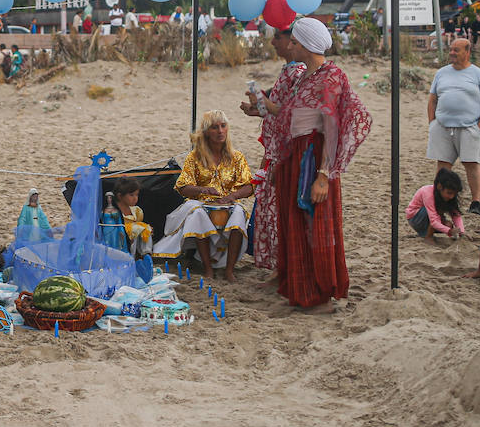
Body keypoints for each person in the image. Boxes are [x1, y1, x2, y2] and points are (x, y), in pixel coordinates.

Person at [265, 17, 371, 313]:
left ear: (307, 45)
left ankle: (319, 295)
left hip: (313, 159)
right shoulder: (305, 77)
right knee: (296, 224)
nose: (291, 47)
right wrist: (260, 108)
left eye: (294, 42)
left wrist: (324, 175)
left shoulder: (329, 77)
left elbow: (332, 127)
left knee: (314, 224)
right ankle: (301, 290)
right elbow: (291, 115)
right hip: (295, 155)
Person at [156, 110, 255, 282]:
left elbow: (249, 186)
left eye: (223, 126)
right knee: (197, 214)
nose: (220, 131)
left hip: (229, 204)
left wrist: (232, 196)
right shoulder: (195, 157)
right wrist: (203, 190)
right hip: (202, 204)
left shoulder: (237, 157)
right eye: (215, 127)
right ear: (206, 132)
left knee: (239, 213)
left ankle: (229, 270)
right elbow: (183, 187)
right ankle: (208, 269)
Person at [239, 25, 303, 276]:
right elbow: (280, 111)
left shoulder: (299, 73)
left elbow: (294, 115)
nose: (274, 42)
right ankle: (280, 271)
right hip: (275, 150)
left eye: (278, 37)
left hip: (285, 152)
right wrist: (260, 110)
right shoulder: (288, 71)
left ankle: (285, 271)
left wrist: (267, 105)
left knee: (280, 211)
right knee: (272, 209)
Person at [426, 38, 480, 213]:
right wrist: (432, 123)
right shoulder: (441, 73)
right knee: (443, 164)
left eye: (456, 50)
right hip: (442, 126)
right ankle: (439, 199)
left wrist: (479, 127)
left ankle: (476, 202)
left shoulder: (479, 74)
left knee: (471, 163)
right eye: (451, 49)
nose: (452, 53)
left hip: (469, 127)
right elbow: (432, 100)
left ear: (467, 52)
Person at [406, 168, 466, 240]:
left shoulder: (447, 196)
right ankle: (428, 237)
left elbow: (456, 215)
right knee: (438, 214)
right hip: (416, 218)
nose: (452, 197)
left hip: (431, 218)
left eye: (454, 194)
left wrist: (461, 232)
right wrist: (449, 231)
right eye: (449, 193)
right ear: (439, 187)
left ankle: (427, 233)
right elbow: (434, 220)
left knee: (448, 225)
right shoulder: (428, 193)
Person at [113, 176, 153, 259]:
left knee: (144, 228)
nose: (135, 198)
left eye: (137, 195)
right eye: (131, 195)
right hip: (119, 240)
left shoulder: (136, 211)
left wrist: (146, 229)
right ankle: (130, 257)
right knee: (134, 229)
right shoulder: (114, 212)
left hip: (134, 241)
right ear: (120, 196)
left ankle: (146, 255)